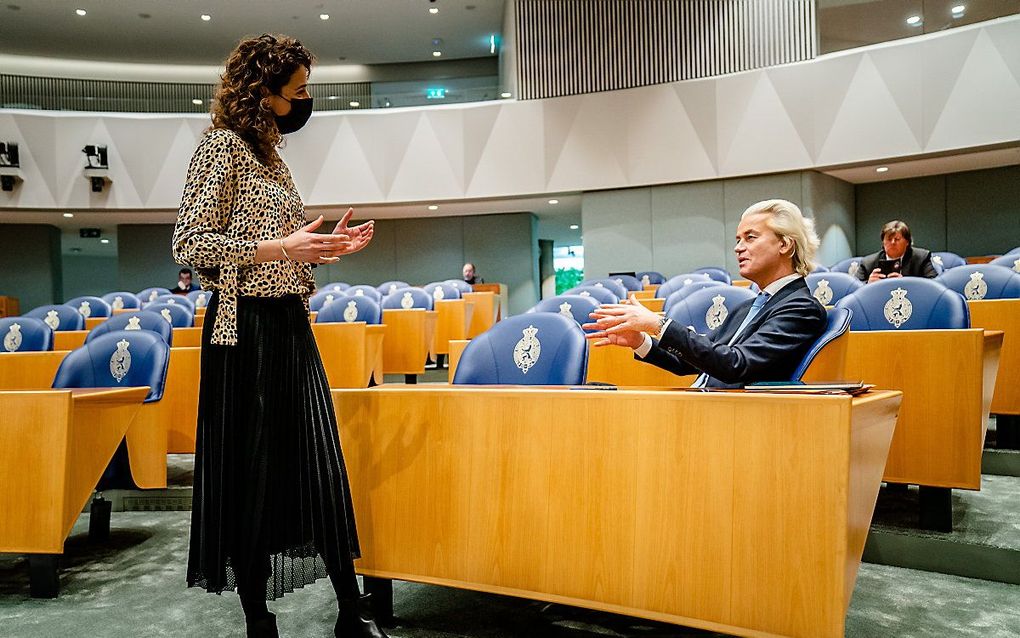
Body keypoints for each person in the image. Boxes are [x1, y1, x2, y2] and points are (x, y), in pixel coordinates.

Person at [172, 34, 386, 638]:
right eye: (296, 91)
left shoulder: (272, 158)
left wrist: (321, 249)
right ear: (261, 93)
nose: (305, 101)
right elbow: (189, 246)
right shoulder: (220, 150)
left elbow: (278, 250)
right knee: (252, 474)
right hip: (244, 333)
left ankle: (350, 612)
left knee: (316, 467)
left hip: (288, 322)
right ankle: (257, 620)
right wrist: (282, 247)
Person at [584, 199, 826, 388]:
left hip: (740, 423)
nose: (738, 247)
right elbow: (691, 361)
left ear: (785, 244)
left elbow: (735, 365)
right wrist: (639, 341)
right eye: (738, 239)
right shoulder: (747, 307)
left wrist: (658, 324)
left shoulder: (801, 309)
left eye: (750, 238)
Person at [855, 220, 937, 283]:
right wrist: (868, 284)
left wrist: (905, 283)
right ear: (883, 242)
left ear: (907, 242)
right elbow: (854, 288)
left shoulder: (921, 258)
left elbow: (935, 284)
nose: (893, 242)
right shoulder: (868, 263)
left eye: (897, 239)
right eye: (889, 239)